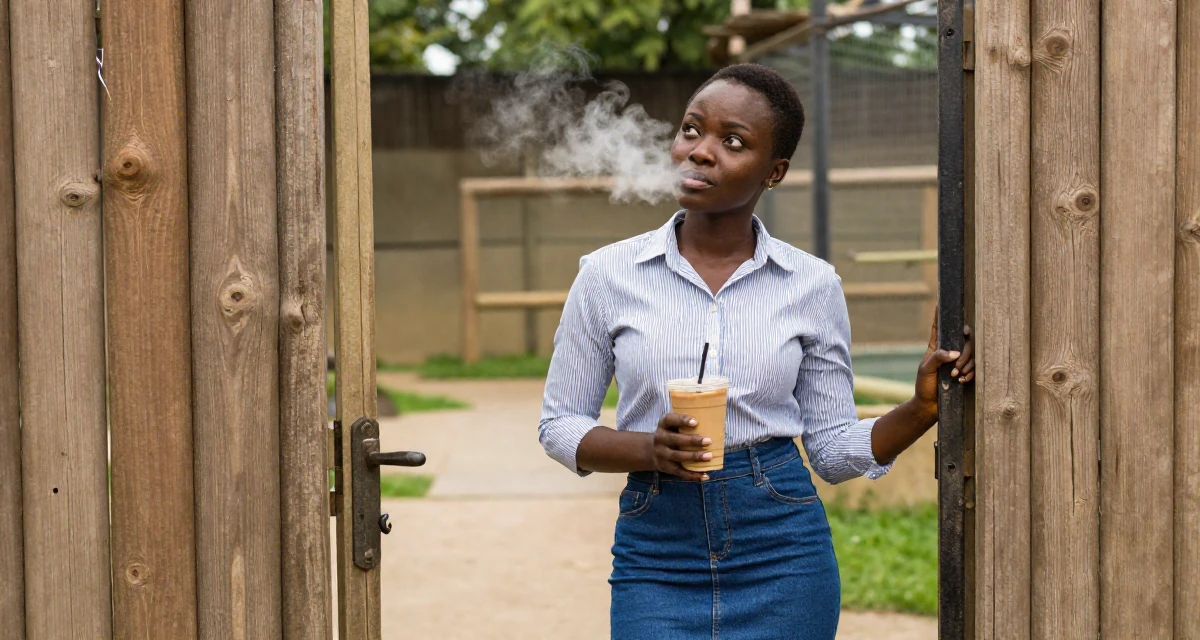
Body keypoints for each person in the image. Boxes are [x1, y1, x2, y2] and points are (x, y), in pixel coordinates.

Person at [538, 63, 974, 640]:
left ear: (775, 171)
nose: (700, 151)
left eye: (733, 141)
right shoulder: (606, 275)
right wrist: (650, 449)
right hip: (657, 552)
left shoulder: (812, 285)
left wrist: (921, 410)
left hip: (782, 550)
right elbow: (559, 424)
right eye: (691, 130)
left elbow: (830, 451)